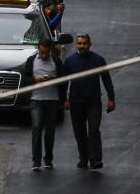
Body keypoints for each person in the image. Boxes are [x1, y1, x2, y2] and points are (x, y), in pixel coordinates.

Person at [64, 33, 115, 170]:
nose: (82, 46)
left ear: (90, 44)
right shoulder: (70, 61)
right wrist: (64, 99)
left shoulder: (98, 60)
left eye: (85, 43)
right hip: (76, 102)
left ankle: (95, 160)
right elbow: (63, 82)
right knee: (79, 132)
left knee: (93, 130)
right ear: (76, 44)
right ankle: (84, 158)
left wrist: (111, 98)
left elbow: (106, 79)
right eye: (80, 43)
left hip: (93, 102)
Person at [23, 38, 66, 171]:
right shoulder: (31, 61)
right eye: (41, 53)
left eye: (46, 53)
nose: (44, 55)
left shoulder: (56, 61)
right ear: (38, 49)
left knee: (50, 131)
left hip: (52, 100)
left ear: (50, 51)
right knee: (36, 129)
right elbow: (25, 80)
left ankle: (48, 159)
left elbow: (64, 80)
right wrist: (35, 79)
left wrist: (63, 97)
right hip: (36, 100)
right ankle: (36, 161)